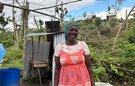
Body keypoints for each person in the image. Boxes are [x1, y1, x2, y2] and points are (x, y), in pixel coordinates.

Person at [54, 21, 95, 86]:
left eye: (76, 30)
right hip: (65, 83)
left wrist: (93, 84)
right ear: (65, 31)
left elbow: (89, 67)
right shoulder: (59, 47)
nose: (73, 32)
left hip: (83, 82)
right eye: (71, 30)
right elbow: (57, 70)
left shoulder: (83, 45)